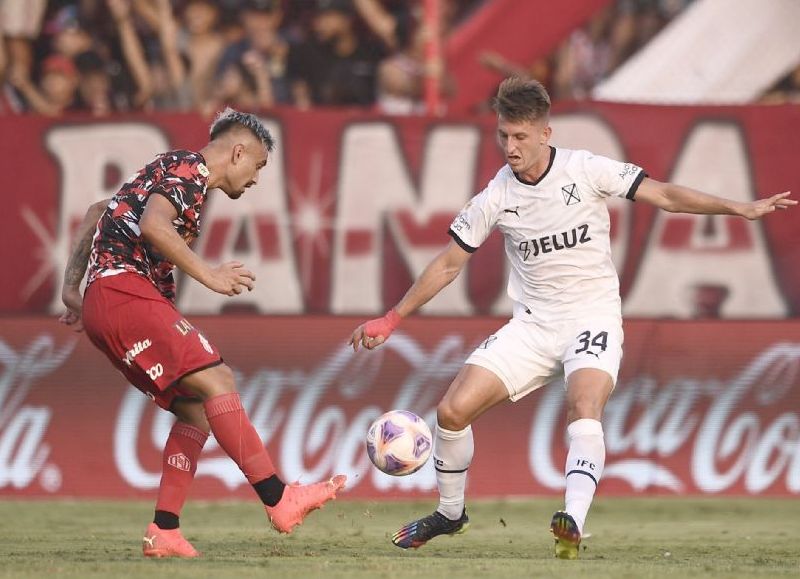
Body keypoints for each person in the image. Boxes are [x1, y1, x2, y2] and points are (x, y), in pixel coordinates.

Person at [348, 76, 795, 559]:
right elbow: (448, 264)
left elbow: (664, 196)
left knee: (584, 406)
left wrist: (739, 208)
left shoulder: (585, 170)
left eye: (520, 137)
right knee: (451, 414)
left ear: (546, 133)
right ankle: (450, 514)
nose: (510, 147)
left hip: (592, 318)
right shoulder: (495, 195)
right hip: (533, 325)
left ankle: (572, 520)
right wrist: (391, 320)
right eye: (503, 135)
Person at [60, 108, 346, 558]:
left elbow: (100, 210)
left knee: (196, 411)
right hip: (123, 291)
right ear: (237, 152)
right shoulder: (191, 168)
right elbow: (154, 226)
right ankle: (278, 498)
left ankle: (165, 528)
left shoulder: (168, 171)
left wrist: (71, 289)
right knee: (219, 381)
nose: (254, 180)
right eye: (258, 166)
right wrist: (210, 276)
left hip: (109, 298)